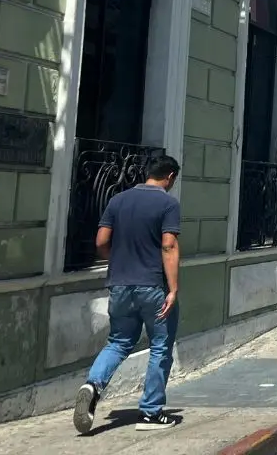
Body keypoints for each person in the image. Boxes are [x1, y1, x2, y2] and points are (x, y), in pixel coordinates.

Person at [74, 155, 183, 434]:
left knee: (118, 342)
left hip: (120, 285)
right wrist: (173, 289)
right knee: (160, 346)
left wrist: (119, 261)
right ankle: (150, 413)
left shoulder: (117, 201)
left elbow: (101, 242)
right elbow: (168, 246)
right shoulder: (168, 203)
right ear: (169, 177)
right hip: (153, 287)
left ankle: (92, 385)